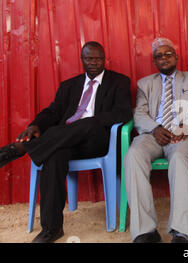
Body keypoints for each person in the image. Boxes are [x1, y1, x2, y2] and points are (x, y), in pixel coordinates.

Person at [0, 41, 133, 243]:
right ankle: (51, 229)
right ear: (82, 60)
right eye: (90, 59)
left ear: (104, 59)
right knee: (54, 155)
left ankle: (22, 148)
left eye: (98, 59)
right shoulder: (69, 85)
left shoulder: (119, 81)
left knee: (88, 123)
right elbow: (53, 112)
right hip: (66, 141)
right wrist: (35, 125)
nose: (94, 63)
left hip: (97, 141)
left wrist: (94, 121)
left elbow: (122, 112)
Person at [124, 37, 188, 243]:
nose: (163, 58)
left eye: (167, 54)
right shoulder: (145, 84)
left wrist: (186, 127)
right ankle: (145, 231)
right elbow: (139, 113)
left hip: (183, 135)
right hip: (153, 134)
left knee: (179, 160)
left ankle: (180, 232)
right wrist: (155, 128)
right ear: (154, 62)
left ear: (176, 57)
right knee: (133, 155)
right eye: (158, 56)